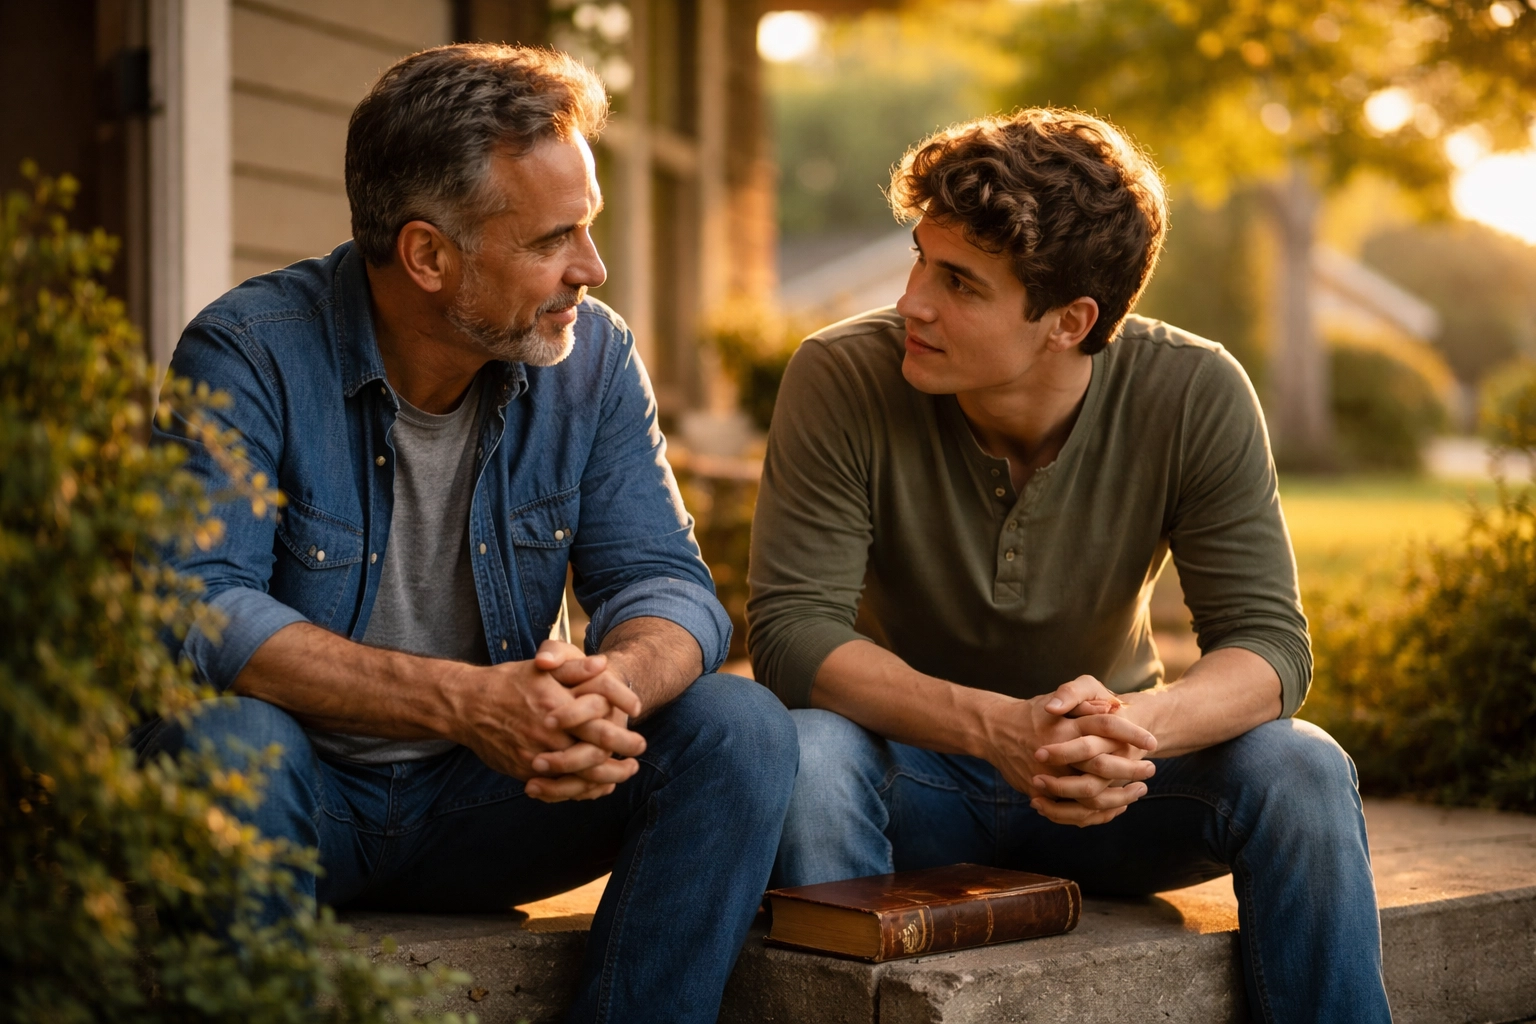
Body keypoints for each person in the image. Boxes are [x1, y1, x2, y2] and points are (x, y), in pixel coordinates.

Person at [139, 44, 797, 1024]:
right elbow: (196, 606)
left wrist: (605, 694)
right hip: (298, 803)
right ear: (429, 255)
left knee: (739, 729)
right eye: (553, 239)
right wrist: (466, 702)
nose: (592, 267)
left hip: (490, 804)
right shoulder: (248, 353)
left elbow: (669, 584)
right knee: (230, 744)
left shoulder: (593, 357)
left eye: (590, 228)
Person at [747, 108, 1391, 1023]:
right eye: (921, 259)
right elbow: (792, 636)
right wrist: (1001, 729)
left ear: (1069, 321)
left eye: (960, 284)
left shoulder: (1194, 390)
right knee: (808, 752)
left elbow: (1269, 647)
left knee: (1304, 768)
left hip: (1124, 790)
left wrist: (1131, 732)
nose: (911, 302)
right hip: (917, 785)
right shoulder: (842, 375)